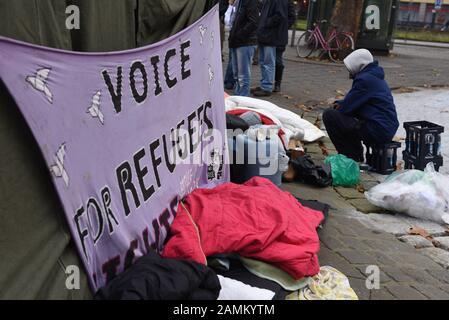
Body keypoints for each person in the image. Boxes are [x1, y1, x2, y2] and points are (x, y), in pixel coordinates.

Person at [322, 49, 399, 163]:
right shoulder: (373, 77)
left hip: (378, 129)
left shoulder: (365, 80)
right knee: (347, 120)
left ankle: (351, 156)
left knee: (330, 116)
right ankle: (355, 154)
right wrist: (340, 104)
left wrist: (337, 105)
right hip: (383, 127)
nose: (349, 73)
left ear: (358, 65)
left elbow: (346, 108)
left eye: (350, 68)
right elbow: (355, 101)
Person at [252, 0, 289, 97]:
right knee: (264, 61)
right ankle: (264, 84)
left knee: (268, 62)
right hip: (266, 34)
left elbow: (279, 16)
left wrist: (265, 23)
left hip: (270, 35)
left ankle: (267, 86)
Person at [228, 0, 260, 96]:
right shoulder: (238, 2)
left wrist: (240, 34)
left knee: (243, 75)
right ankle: (238, 95)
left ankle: (243, 96)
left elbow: (254, 22)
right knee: (236, 74)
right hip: (236, 41)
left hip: (245, 42)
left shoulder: (250, 2)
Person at [274, 0, 296, 93]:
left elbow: (292, 16)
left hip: (279, 36)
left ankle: (277, 83)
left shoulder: (287, 2)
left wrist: (284, 26)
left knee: (278, 61)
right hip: (269, 34)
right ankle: (268, 82)